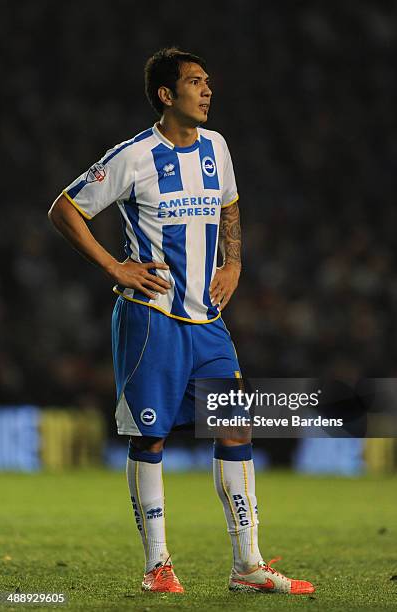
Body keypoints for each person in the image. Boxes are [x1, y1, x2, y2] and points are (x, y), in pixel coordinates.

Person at [48, 47, 314, 596]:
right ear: (167, 95)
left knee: (237, 426)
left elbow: (230, 205)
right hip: (153, 318)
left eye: (208, 81)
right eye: (196, 82)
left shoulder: (217, 146)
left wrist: (235, 263)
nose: (208, 90)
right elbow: (65, 209)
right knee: (150, 437)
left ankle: (247, 566)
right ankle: (158, 567)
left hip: (208, 322)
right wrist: (113, 266)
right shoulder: (133, 156)